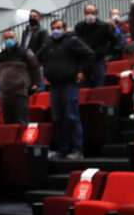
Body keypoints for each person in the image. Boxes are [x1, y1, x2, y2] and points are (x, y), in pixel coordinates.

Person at [37, 19, 94, 160]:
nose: (56, 30)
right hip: (54, 85)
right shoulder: (49, 43)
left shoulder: (72, 41)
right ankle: (62, 149)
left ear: (64, 28)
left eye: (59, 27)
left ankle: (78, 150)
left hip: (69, 84)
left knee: (72, 117)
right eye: (53, 28)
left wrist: (82, 71)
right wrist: (47, 71)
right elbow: (38, 57)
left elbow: (89, 54)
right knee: (58, 118)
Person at [0, 29, 41, 124]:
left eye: (11, 37)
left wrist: (36, 84)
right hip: (5, 94)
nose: (9, 40)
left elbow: (35, 68)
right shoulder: (1, 55)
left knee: (22, 121)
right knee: (7, 122)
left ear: (16, 38)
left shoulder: (25, 52)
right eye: (6, 38)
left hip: (20, 92)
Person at [74, 4, 118, 88]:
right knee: (84, 86)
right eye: (87, 13)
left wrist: (108, 54)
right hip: (84, 61)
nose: (90, 15)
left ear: (96, 13)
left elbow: (113, 40)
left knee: (99, 85)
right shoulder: (79, 26)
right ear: (84, 14)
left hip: (98, 59)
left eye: (92, 13)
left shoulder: (104, 26)